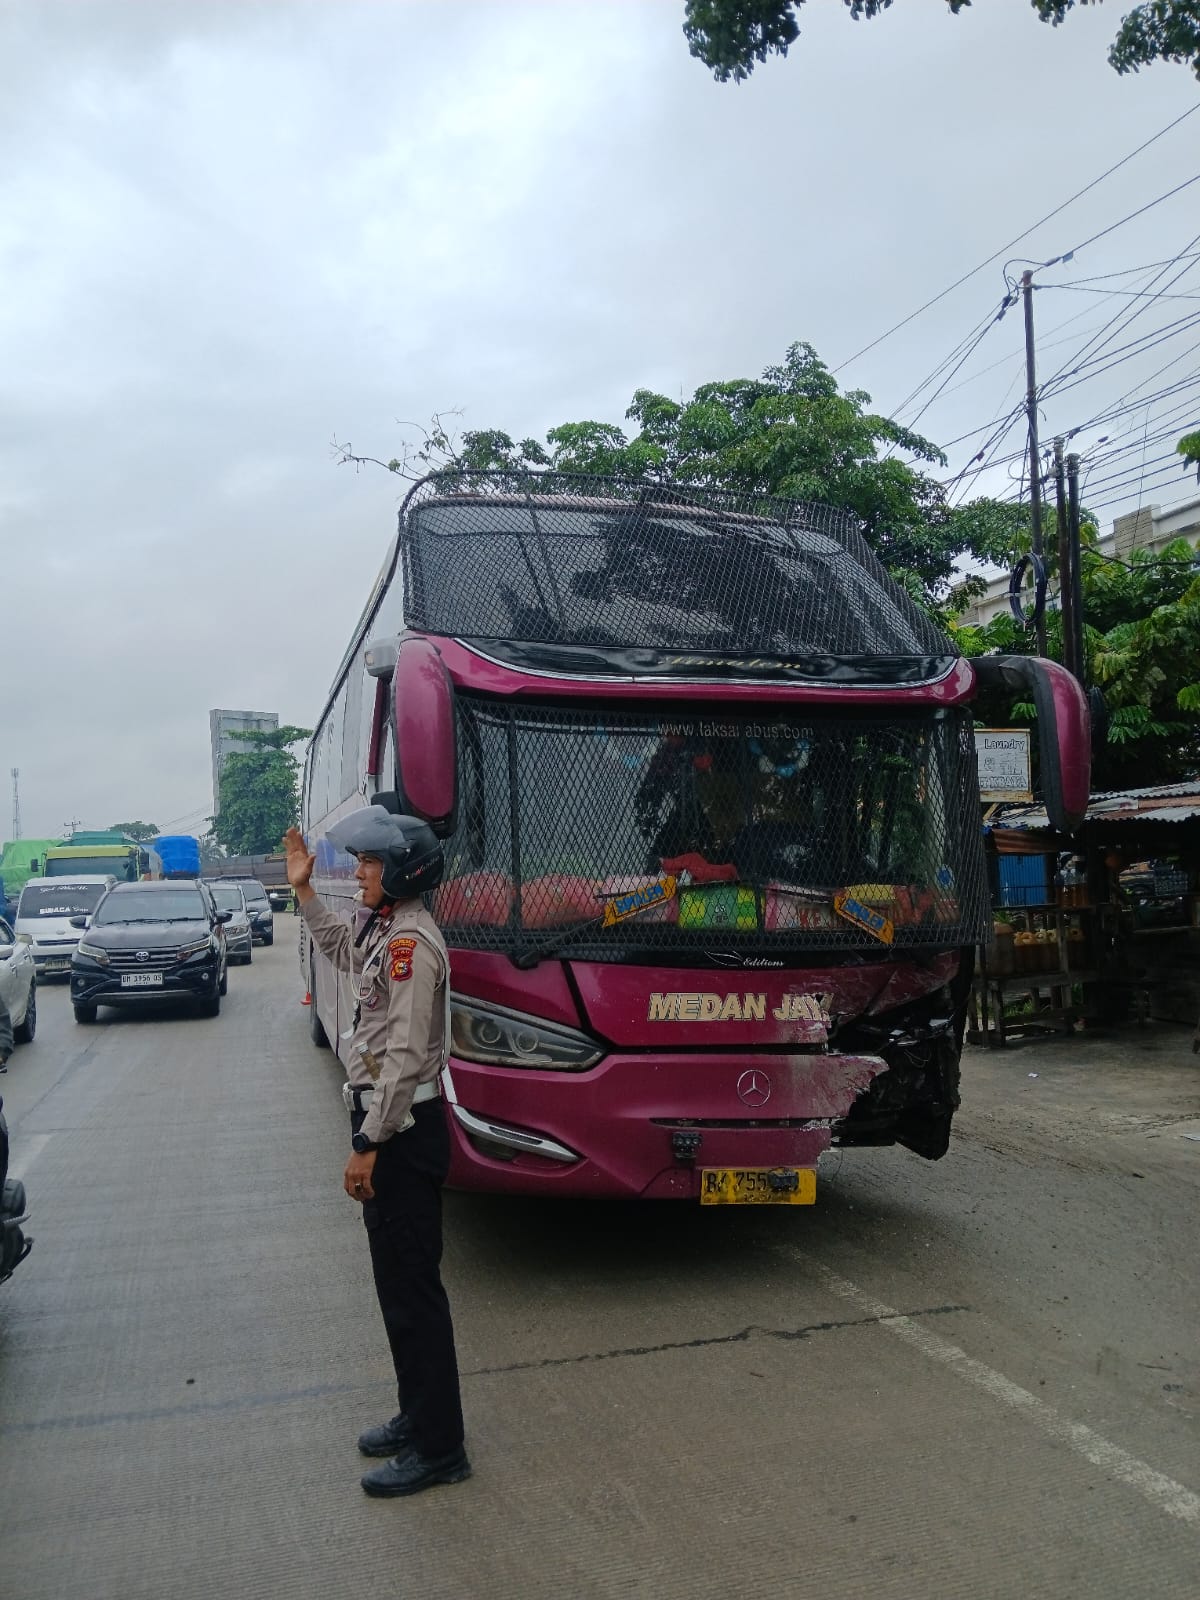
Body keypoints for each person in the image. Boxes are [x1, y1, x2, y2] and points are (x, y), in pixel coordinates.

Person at [284, 810, 469, 1498]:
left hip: (402, 1133)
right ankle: (417, 1417)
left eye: (368, 862)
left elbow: (404, 1058)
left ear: (401, 871)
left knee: (415, 1292)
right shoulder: (384, 929)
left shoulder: (411, 944)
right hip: (391, 1130)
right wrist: (305, 892)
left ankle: (441, 1448)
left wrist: (368, 1142)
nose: (358, 871)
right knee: (397, 1288)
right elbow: (340, 950)